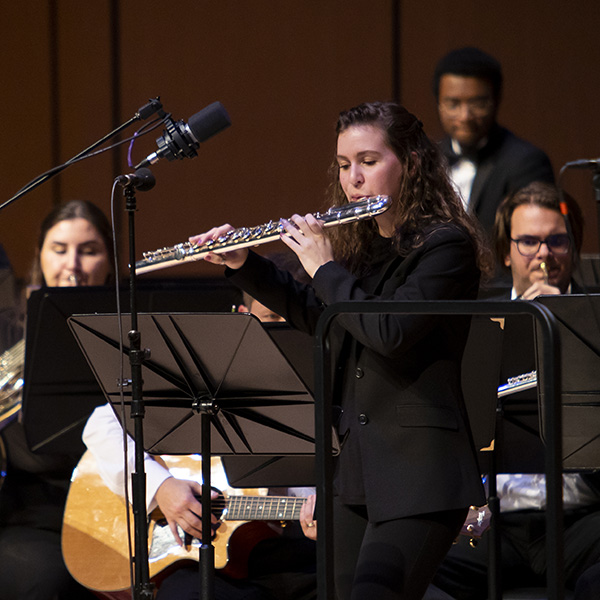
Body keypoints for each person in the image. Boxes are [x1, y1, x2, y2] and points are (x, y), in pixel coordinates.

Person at [190, 101, 491, 599]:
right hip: (352, 471)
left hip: (420, 472)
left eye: (369, 162)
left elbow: (390, 332)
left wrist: (325, 269)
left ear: (411, 162)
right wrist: (246, 262)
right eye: (345, 165)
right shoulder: (363, 247)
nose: (354, 178)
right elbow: (323, 318)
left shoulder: (445, 247)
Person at [432, 182, 600, 600]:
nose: (544, 254)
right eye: (529, 242)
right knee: (411, 576)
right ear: (506, 252)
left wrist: (564, 324)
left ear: (573, 249)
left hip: (580, 517)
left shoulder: (596, 321)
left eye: (556, 241)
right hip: (495, 521)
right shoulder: (472, 323)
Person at [0, 200, 113, 600]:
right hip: (31, 514)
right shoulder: (9, 327)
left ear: (109, 260)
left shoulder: (128, 327)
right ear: (40, 255)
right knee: (44, 582)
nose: (73, 266)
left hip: (118, 508)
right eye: (60, 249)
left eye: (89, 250)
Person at [433, 47, 554, 234]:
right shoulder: (427, 160)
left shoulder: (526, 164)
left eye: (477, 103)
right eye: (453, 104)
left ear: (497, 100)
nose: (465, 116)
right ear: (439, 104)